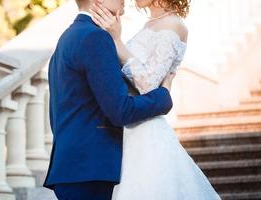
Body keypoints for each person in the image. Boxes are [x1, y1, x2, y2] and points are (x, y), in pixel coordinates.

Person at [43, 0, 177, 199]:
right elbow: (120, 110)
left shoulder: (69, 36)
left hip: (74, 168)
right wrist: (163, 96)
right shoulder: (95, 38)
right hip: (90, 171)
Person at [90, 0, 221, 199]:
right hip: (129, 124)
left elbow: (148, 84)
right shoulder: (148, 23)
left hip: (146, 129)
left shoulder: (175, 25)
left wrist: (117, 40)